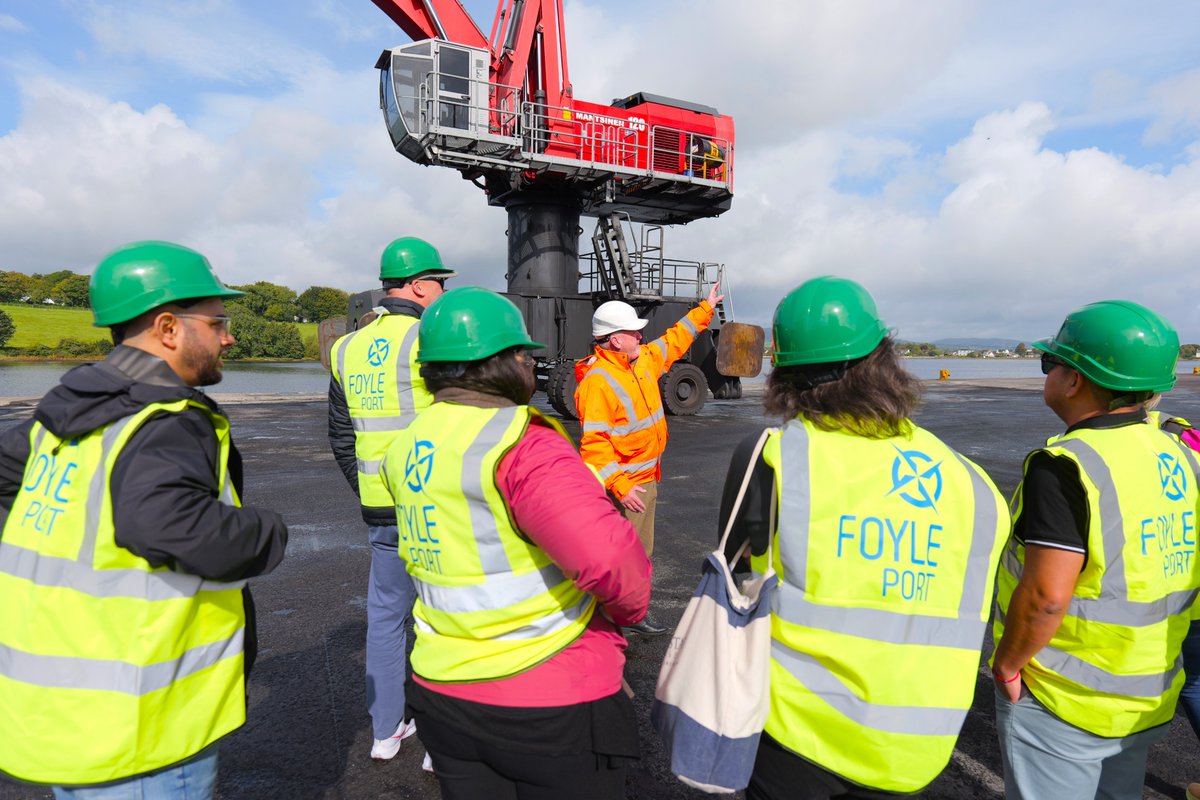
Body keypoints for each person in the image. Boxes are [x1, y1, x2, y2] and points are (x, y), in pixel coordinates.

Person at [0, 241, 289, 798]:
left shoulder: (65, 415)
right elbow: (169, 525)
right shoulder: (164, 421)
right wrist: (265, 529)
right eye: (217, 321)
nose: (228, 336)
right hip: (143, 723)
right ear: (168, 328)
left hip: (63, 711)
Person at [718, 276, 1009, 799]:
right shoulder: (973, 483)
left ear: (783, 373)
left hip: (796, 736)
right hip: (918, 746)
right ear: (886, 358)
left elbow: (732, 585)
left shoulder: (774, 456)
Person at [379, 287, 651, 799]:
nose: (530, 366)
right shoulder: (522, 442)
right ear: (499, 363)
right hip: (546, 697)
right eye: (524, 355)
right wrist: (629, 614)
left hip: (442, 690)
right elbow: (614, 563)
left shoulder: (410, 441)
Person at [991, 300, 1200, 800]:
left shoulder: (1066, 465)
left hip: (1068, 696)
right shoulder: (1176, 452)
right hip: (1146, 690)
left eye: (1052, 363)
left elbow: (1046, 595)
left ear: (1075, 380)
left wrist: (1006, 664)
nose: (1049, 373)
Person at [327, 236, 455, 760]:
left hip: (380, 506)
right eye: (441, 283)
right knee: (442, 616)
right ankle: (440, 740)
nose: (444, 291)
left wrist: (367, 486)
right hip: (435, 502)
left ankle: (385, 732)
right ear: (420, 285)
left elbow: (340, 432)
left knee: (385, 618)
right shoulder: (430, 336)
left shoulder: (346, 347)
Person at [574, 283, 721, 636]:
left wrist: (706, 308)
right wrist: (621, 486)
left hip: (645, 479)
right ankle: (619, 620)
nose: (641, 335)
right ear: (613, 340)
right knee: (625, 558)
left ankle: (625, 615)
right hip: (626, 488)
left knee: (639, 554)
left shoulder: (640, 361)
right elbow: (594, 445)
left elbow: (675, 338)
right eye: (632, 332)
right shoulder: (598, 382)